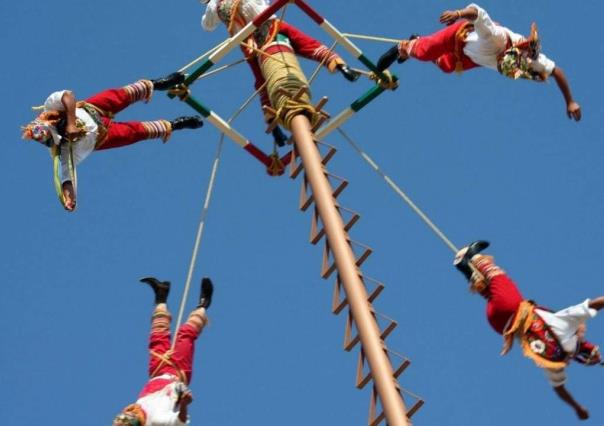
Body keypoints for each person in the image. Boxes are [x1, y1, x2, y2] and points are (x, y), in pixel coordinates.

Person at [454, 241, 603, 420]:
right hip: (499, 324)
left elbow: (595, 303)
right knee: (490, 290)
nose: (583, 331)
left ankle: (473, 256)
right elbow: (560, 389)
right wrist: (577, 407)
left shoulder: (566, 323)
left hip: (510, 308)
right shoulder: (556, 361)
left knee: (498, 278)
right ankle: (465, 268)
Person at [22, 72, 204, 211]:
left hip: (94, 109)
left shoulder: (50, 107)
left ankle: (158, 83)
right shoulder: (62, 151)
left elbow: (67, 96)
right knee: (136, 132)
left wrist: (70, 123)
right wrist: (69, 197)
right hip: (103, 137)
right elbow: (66, 176)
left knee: (121, 94)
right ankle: (176, 124)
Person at [376, 3, 581, 121]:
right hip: (460, 36)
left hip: (470, 57)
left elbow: (557, 72)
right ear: (507, 54)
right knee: (425, 52)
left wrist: (570, 101)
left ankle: (416, 43)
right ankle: (403, 47)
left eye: (501, 66)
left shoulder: (532, 61)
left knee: (447, 66)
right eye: (501, 61)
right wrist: (457, 14)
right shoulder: (496, 37)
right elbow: (477, 12)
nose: (499, 63)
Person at [200, 0, 360, 146]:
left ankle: (340, 66)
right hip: (250, 43)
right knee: (262, 81)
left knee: (306, 44)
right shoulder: (214, 6)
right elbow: (207, 25)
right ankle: (274, 125)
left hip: (269, 25)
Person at [113, 276, 214, 426]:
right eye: (128, 415)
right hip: (177, 372)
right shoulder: (156, 420)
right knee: (185, 335)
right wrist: (185, 404)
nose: (128, 411)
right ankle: (203, 304)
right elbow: (180, 422)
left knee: (157, 335)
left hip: (157, 372)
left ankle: (161, 296)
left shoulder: (138, 409)